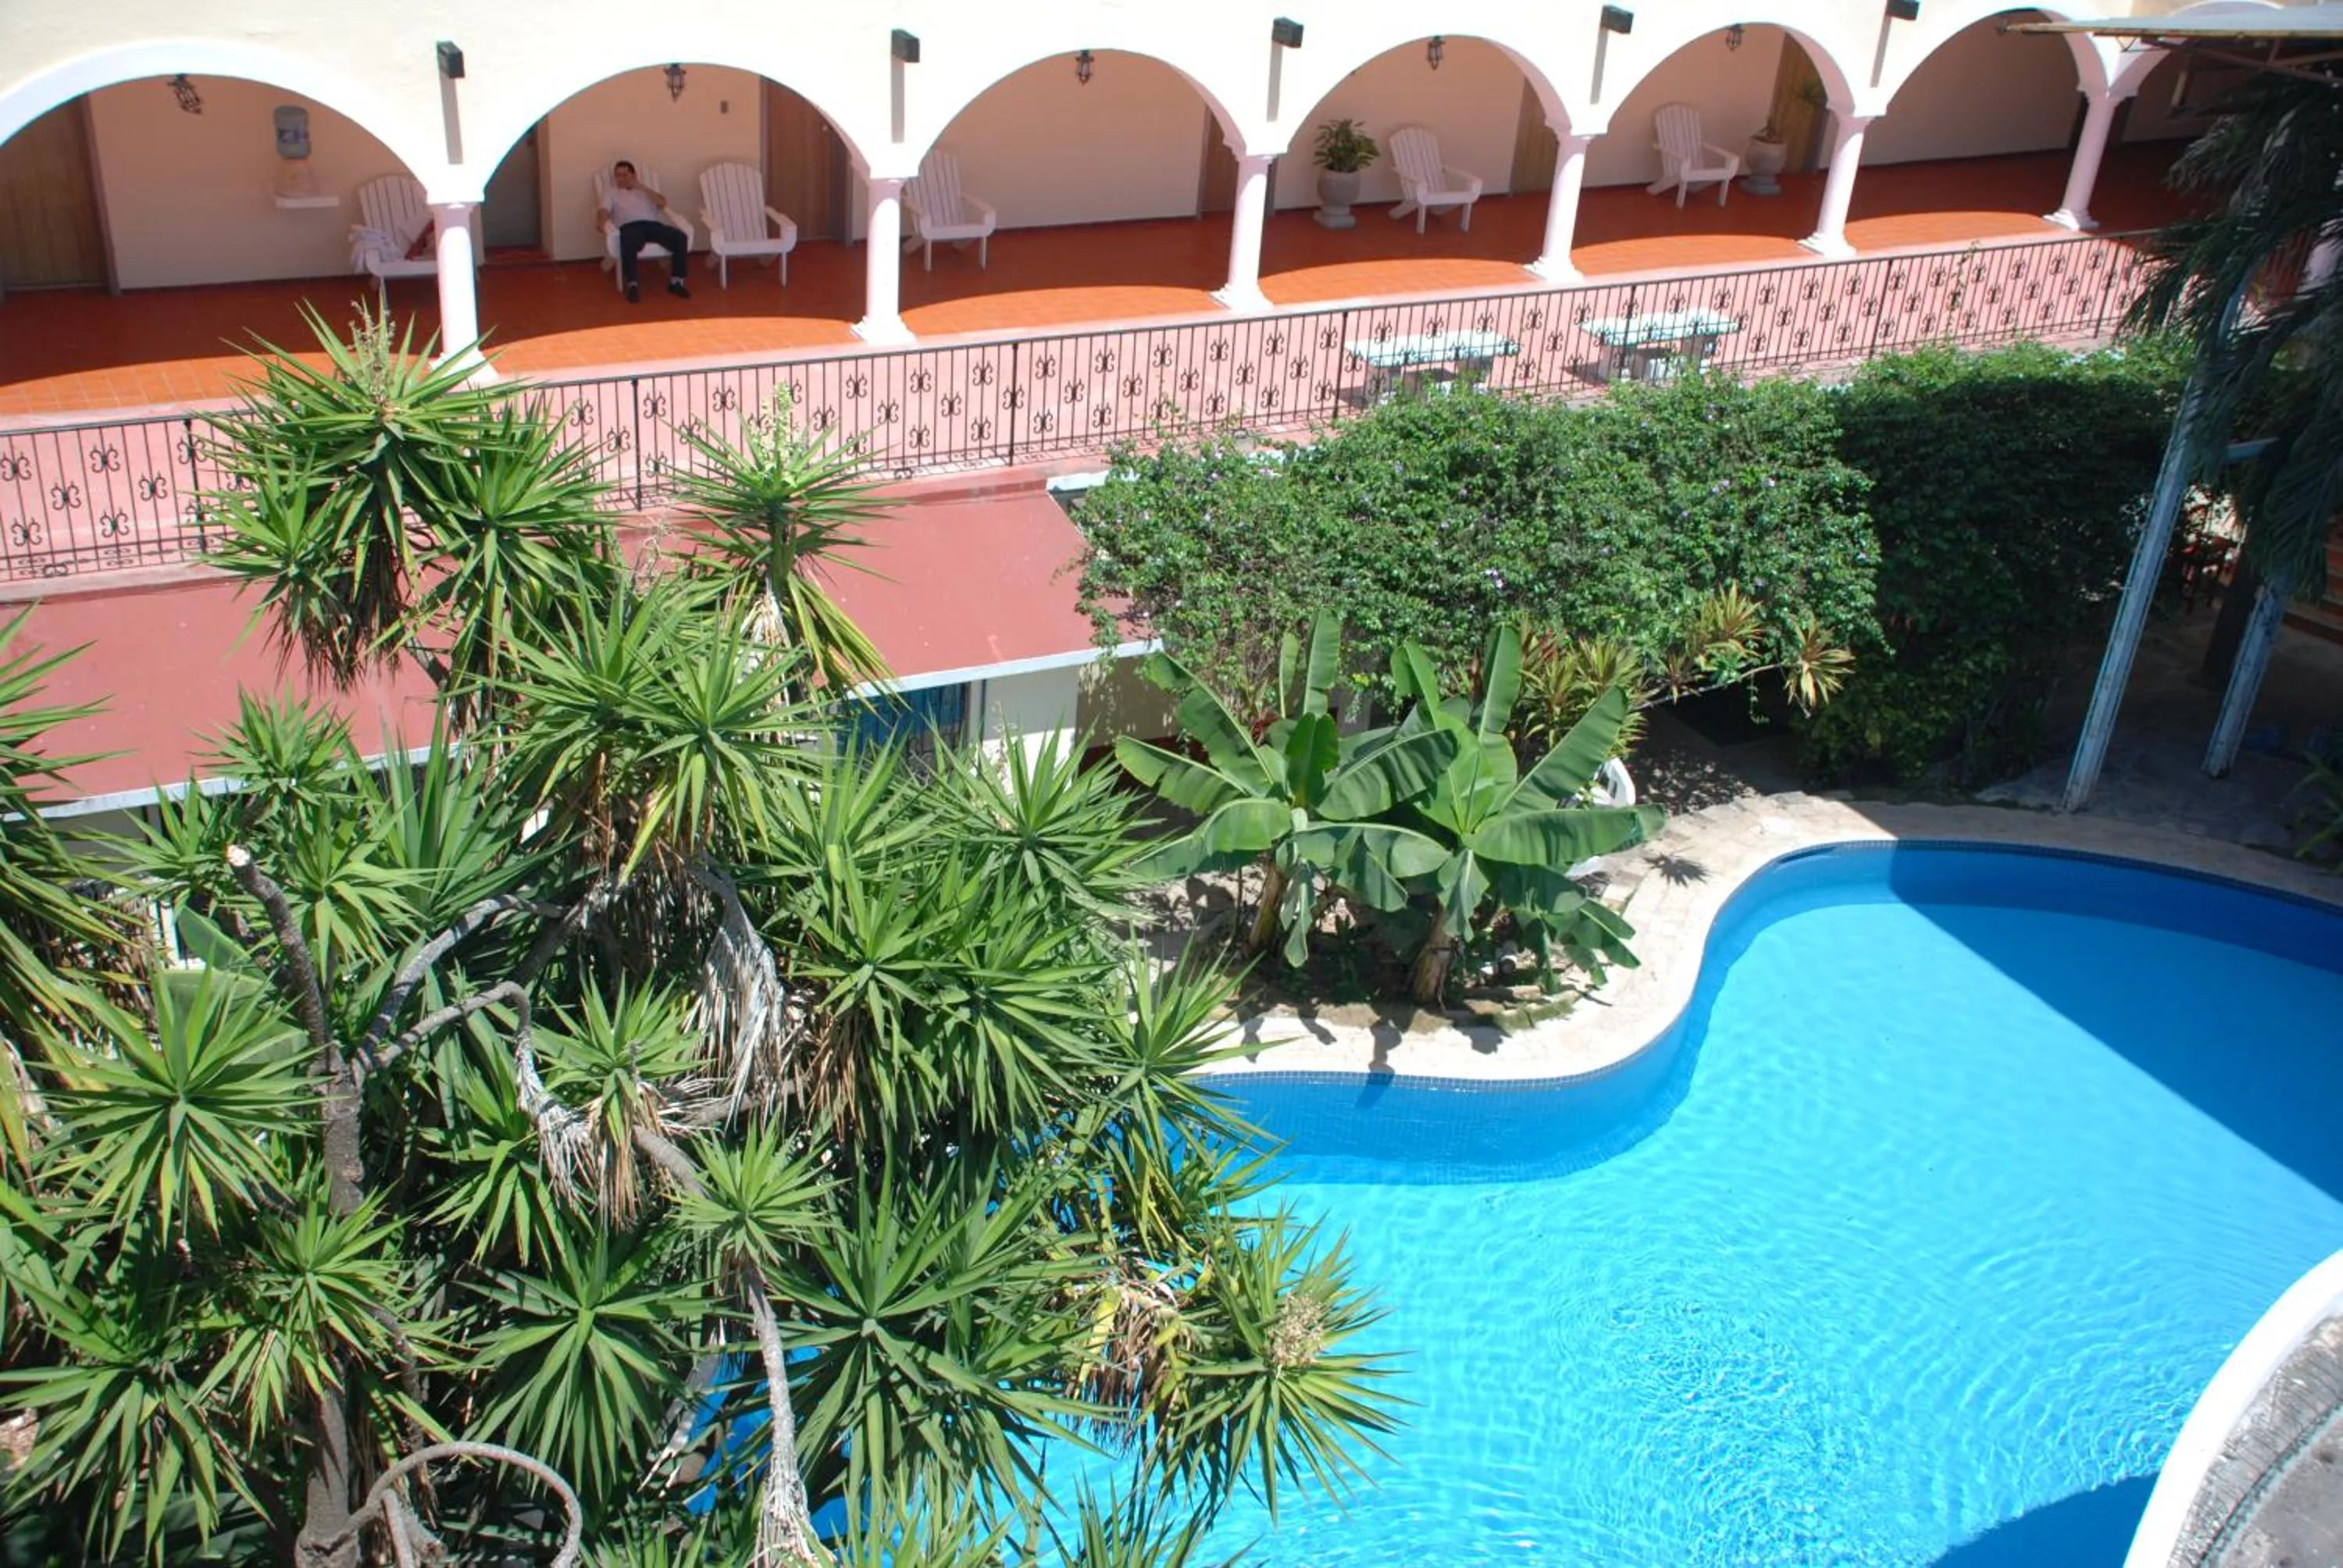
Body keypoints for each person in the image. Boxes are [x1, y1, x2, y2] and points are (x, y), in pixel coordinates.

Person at [597, 160, 691, 302]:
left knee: (679, 237)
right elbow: (603, 209)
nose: (621, 178)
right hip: (629, 226)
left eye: (625, 175)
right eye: (618, 175)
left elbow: (662, 203)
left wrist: (642, 187)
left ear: (633, 175)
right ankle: (633, 284)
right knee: (628, 240)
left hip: (652, 225)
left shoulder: (644, 190)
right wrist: (601, 222)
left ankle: (676, 282)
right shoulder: (611, 192)